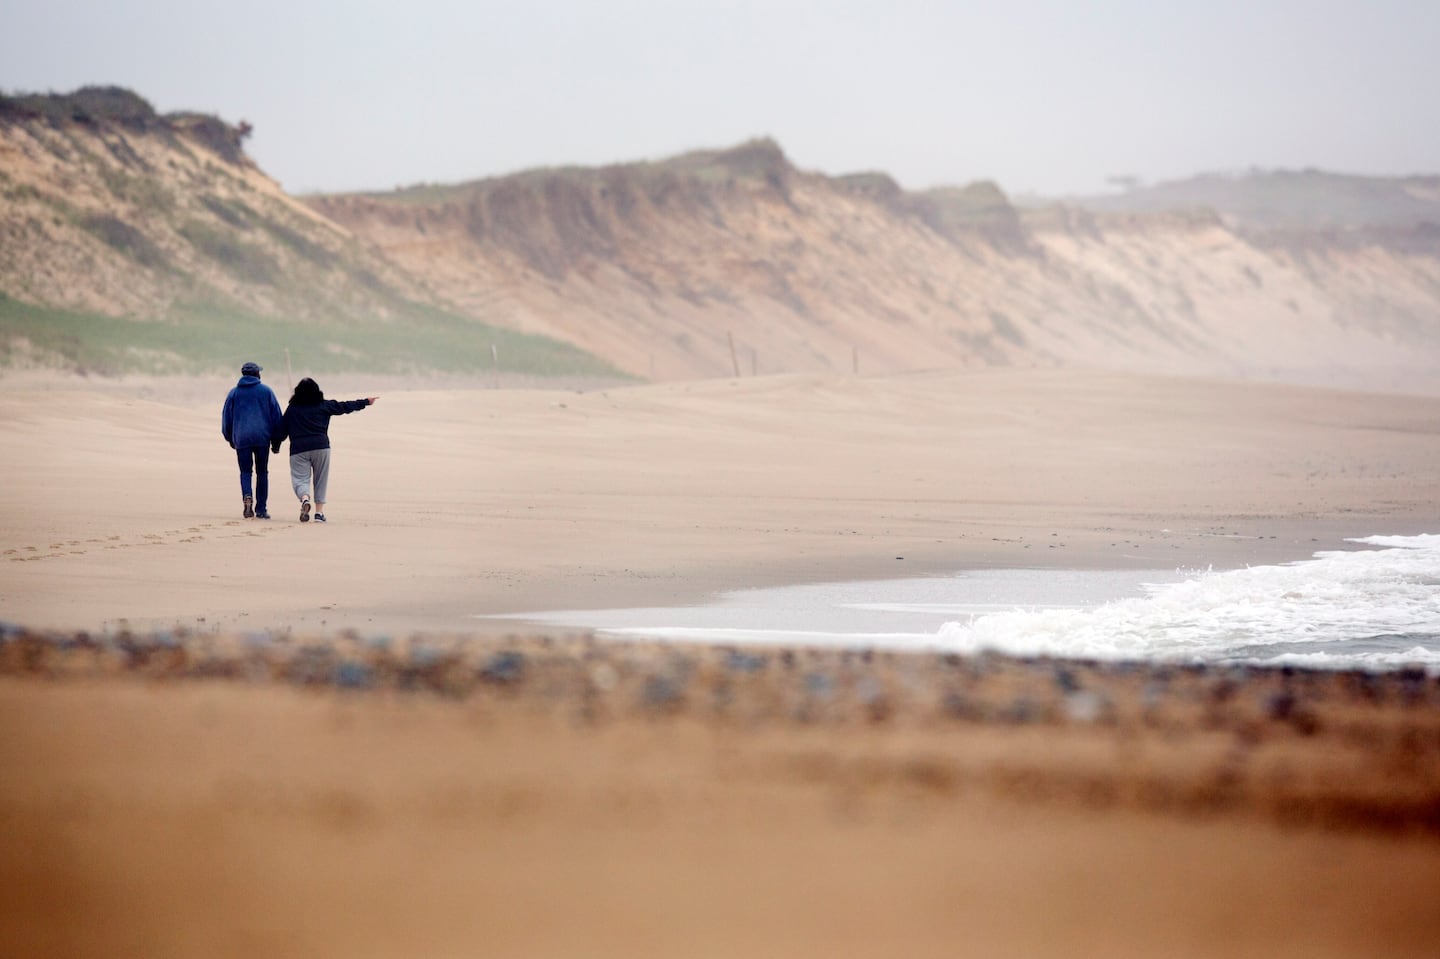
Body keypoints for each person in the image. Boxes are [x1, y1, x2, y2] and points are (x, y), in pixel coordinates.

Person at [273, 377, 378, 523]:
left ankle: (304, 499)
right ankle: (319, 513)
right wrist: (365, 402)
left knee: (300, 479)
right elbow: (344, 406)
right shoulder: (323, 405)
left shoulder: (293, 409)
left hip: (298, 449)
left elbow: (282, 430)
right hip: (321, 447)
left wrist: (275, 445)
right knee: (320, 480)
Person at [221, 361, 283, 519]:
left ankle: (247, 496)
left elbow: (226, 418)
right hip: (262, 438)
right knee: (262, 472)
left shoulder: (234, 393)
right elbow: (277, 417)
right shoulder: (267, 391)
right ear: (257, 374)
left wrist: (230, 437)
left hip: (241, 438)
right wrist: (277, 440)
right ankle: (261, 509)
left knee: (245, 472)